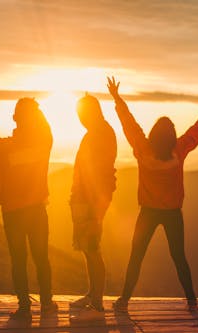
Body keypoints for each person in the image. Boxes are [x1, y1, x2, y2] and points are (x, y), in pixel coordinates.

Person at [106, 77, 198, 312]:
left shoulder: (142, 148)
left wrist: (117, 98)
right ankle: (191, 300)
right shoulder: (180, 148)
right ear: (172, 134)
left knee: (136, 257)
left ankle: (124, 300)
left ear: (154, 133)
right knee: (179, 258)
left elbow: (129, 124)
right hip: (173, 213)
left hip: (147, 212)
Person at [0, 98, 57, 322]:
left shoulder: (5, 148)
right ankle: (46, 304)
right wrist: (37, 110)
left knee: (18, 260)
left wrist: (3, 199)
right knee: (41, 258)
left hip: (13, 212)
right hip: (36, 210)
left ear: (16, 118)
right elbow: (47, 129)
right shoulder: (42, 145)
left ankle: (24, 307)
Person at [69, 94, 117, 322]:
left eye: (82, 114)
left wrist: (98, 207)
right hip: (82, 199)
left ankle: (97, 304)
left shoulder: (103, 134)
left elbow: (104, 174)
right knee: (87, 248)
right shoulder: (92, 134)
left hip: (92, 201)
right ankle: (91, 294)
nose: (79, 119)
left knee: (93, 249)